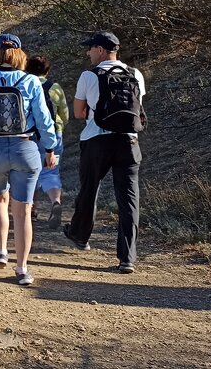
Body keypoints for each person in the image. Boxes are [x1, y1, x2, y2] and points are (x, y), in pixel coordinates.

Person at [0, 33, 56, 286]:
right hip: (24, 148)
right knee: (23, 210)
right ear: (19, 54)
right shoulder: (31, 80)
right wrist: (50, 148)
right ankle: (22, 268)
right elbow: (44, 119)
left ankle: (0, 251)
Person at [63, 31, 146, 274]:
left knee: (89, 189)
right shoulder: (136, 74)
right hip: (129, 141)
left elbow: (78, 113)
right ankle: (127, 257)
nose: (88, 53)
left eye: (90, 48)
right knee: (129, 199)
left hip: (96, 140)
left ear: (100, 50)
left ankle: (80, 235)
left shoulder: (89, 75)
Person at [26, 55, 69, 228]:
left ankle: (32, 210)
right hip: (53, 135)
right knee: (51, 172)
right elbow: (64, 114)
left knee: (30, 173)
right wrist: (59, 128)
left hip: (30, 136)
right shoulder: (55, 88)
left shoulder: (25, 85)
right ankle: (55, 202)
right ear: (47, 71)